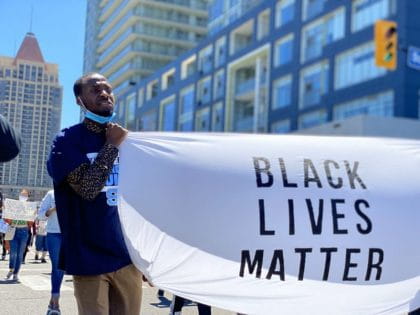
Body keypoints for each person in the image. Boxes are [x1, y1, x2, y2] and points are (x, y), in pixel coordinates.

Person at [47, 73, 142, 315]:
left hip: (127, 258)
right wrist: (111, 146)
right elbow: (88, 189)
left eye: (107, 88)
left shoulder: (130, 142)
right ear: (80, 100)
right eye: (94, 89)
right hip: (89, 258)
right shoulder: (67, 140)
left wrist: (147, 257)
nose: (103, 93)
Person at [38, 190, 63, 315]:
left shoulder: (76, 190)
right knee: (58, 267)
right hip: (54, 234)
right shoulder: (51, 194)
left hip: (72, 235)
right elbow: (41, 215)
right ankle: (55, 302)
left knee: (67, 268)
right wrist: (54, 208)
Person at [4, 189, 33, 282]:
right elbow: (6, 219)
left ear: (28, 197)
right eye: (22, 194)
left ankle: (16, 273)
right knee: (13, 252)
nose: (23, 196)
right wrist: (11, 218)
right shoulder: (14, 206)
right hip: (14, 230)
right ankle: (11, 269)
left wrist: (30, 216)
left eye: (25, 195)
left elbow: (31, 223)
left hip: (24, 231)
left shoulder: (30, 207)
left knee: (20, 253)